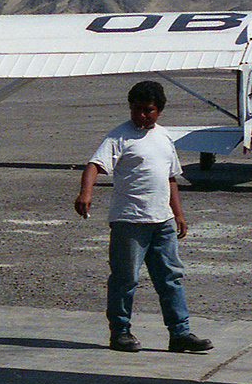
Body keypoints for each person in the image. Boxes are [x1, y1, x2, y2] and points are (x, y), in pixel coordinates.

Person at [75, 80, 212, 354]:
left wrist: (178, 214)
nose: (141, 115)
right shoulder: (119, 137)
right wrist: (85, 193)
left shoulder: (163, 137)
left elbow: (170, 177)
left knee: (170, 278)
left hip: (162, 222)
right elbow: (95, 165)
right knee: (125, 279)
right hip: (129, 222)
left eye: (148, 110)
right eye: (136, 109)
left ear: (159, 110)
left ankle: (180, 333)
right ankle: (120, 332)